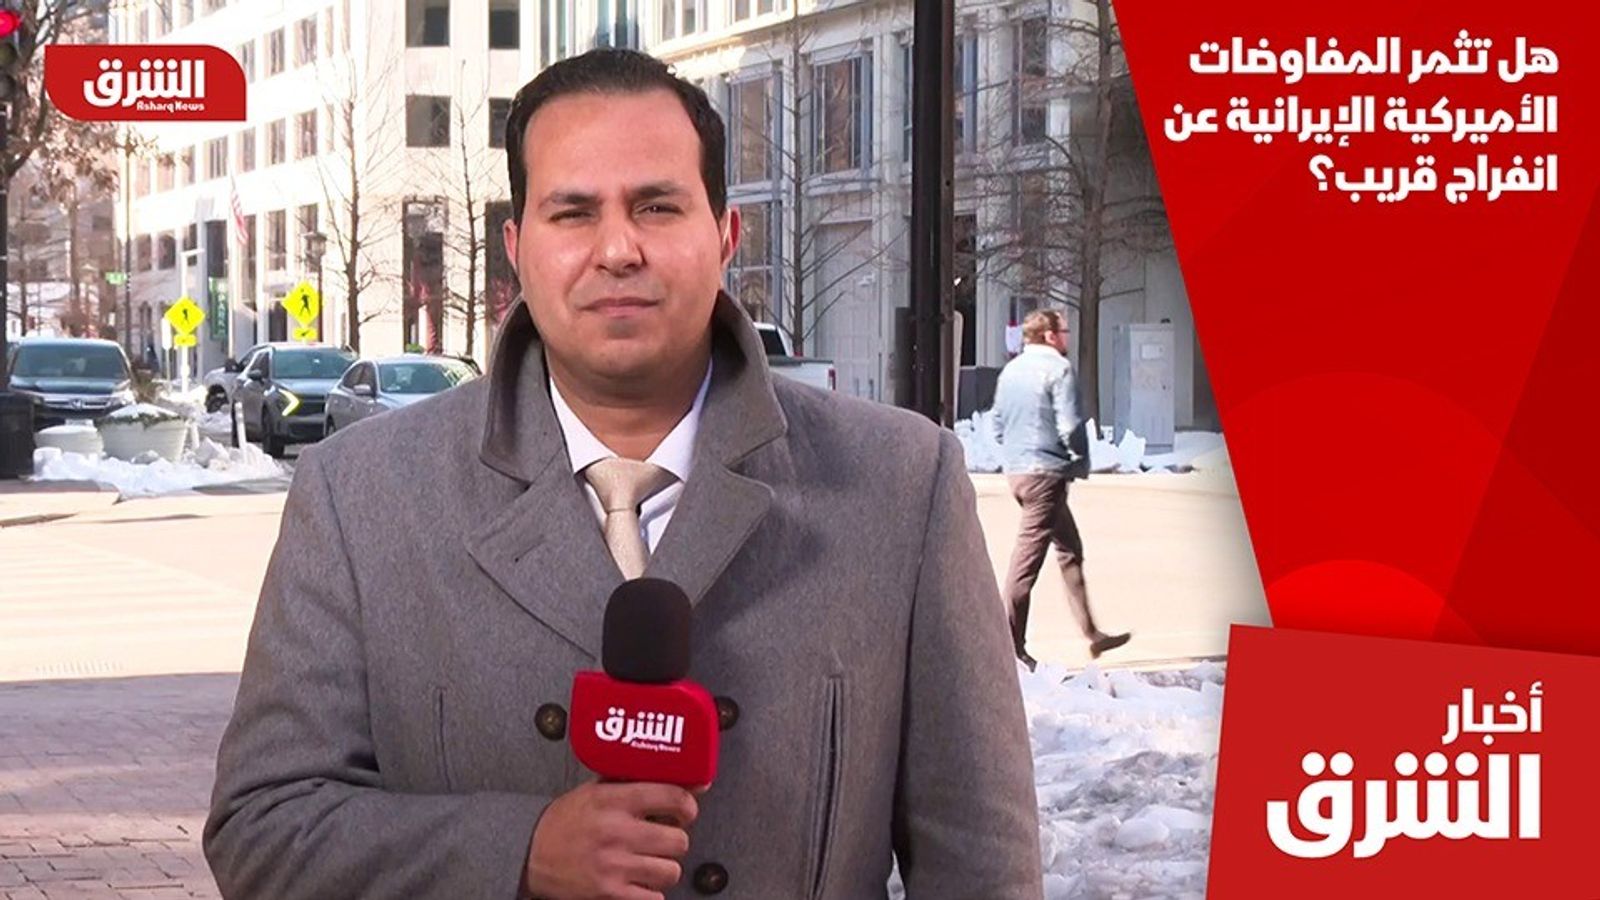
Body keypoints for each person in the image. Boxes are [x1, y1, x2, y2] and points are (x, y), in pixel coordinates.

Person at [204, 49, 1043, 899]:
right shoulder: (364, 496)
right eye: (572, 213)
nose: (617, 249)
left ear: (726, 236)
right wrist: (519, 850)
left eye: (657, 206)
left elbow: (982, 861)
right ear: (517, 248)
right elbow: (262, 829)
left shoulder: (901, 485)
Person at [990, 309, 1130, 671]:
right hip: (1046, 476)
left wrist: (1018, 453)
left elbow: (998, 424)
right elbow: (1070, 426)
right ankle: (1009, 648)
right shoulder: (1058, 369)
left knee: (1070, 548)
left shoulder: (1011, 371)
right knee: (1025, 564)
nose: (1068, 336)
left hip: (1019, 473)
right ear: (1050, 336)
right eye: (1064, 330)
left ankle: (1092, 633)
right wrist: (1079, 459)